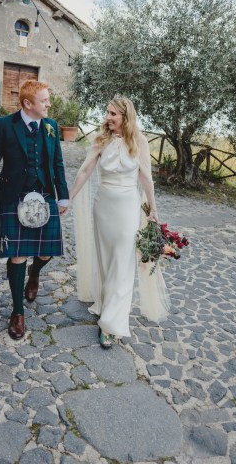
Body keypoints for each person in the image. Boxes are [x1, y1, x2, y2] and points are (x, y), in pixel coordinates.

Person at [0, 80, 69, 340]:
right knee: (17, 255)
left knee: (47, 251)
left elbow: (58, 165)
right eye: (44, 101)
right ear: (28, 104)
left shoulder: (51, 127)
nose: (49, 104)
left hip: (45, 195)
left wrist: (63, 197)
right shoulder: (5, 126)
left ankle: (35, 273)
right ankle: (18, 312)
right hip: (13, 197)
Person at [69, 96, 161, 348]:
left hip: (128, 208)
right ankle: (105, 303)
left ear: (125, 117)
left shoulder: (139, 141)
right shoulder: (101, 139)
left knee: (122, 263)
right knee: (106, 260)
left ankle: (111, 324)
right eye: (107, 113)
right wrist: (68, 198)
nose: (108, 118)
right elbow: (85, 170)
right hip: (103, 207)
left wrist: (153, 209)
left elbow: (146, 177)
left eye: (113, 114)